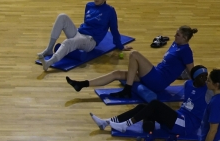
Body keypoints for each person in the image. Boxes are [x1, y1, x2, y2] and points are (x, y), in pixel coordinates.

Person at [90, 65, 209, 141]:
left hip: (187, 124)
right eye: (201, 76)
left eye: (206, 76)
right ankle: (106, 122)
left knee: (155, 104)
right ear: (194, 78)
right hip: (178, 117)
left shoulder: (209, 91)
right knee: (143, 107)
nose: (205, 79)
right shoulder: (188, 84)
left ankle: (125, 125)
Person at [66, 26, 197, 100]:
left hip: (158, 80)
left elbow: (192, 71)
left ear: (185, 38)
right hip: (155, 74)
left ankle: (127, 89)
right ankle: (81, 84)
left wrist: (198, 89)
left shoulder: (186, 51)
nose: (175, 36)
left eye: (178, 35)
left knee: (134, 54)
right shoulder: (176, 44)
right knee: (116, 73)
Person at [39, 0, 130, 71]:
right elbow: (86, 22)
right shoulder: (89, 5)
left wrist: (120, 46)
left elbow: (114, 29)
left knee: (68, 42)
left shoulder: (110, 11)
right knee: (62, 16)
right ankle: (49, 49)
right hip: (79, 33)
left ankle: (49, 62)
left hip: (90, 40)